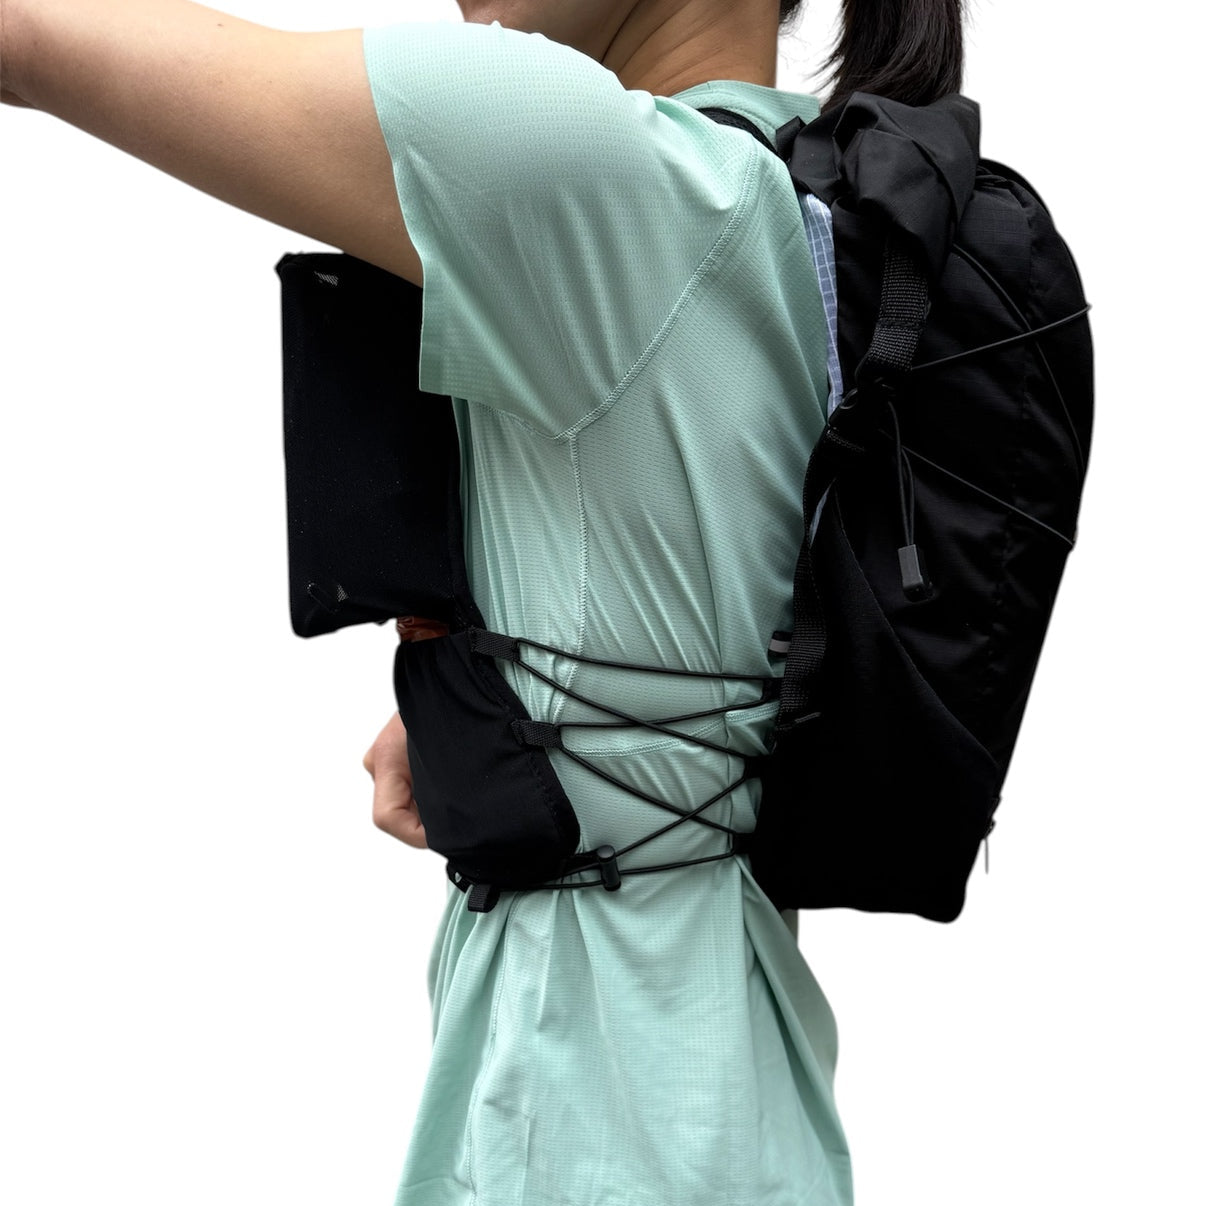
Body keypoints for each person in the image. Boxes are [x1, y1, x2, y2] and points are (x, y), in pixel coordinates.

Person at [1, 1, 964, 1202]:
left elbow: (26, 36)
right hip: (728, 1094)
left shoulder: (580, 166)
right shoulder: (797, 217)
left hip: (598, 1109)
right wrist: (550, 705)